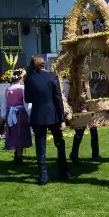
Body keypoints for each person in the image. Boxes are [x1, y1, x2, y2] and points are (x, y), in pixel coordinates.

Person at [24, 54, 69, 185]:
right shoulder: (52, 77)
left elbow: (28, 99)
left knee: (40, 146)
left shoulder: (29, 79)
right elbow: (58, 98)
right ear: (44, 64)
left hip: (38, 115)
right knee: (59, 143)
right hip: (53, 114)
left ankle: (43, 175)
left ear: (33, 65)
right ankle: (63, 171)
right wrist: (62, 118)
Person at [1, 68, 33, 163]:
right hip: (20, 114)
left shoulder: (8, 89)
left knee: (14, 133)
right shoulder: (23, 89)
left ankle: (17, 153)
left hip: (10, 113)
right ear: (19, 78)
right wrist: (30, 114)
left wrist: (3, 115)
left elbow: (4, 103)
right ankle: (19, 155)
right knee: (20, 133)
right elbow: (26, 103)